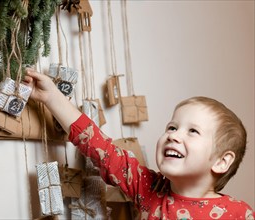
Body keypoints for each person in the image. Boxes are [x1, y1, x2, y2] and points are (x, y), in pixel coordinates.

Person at [23, 68, 254, 219]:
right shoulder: (148, 188)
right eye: (172, 127)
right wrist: (52, 97)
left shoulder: (238, 213)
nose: (173, 135)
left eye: (193, 131)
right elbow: (100, 148)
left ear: (222, 161)